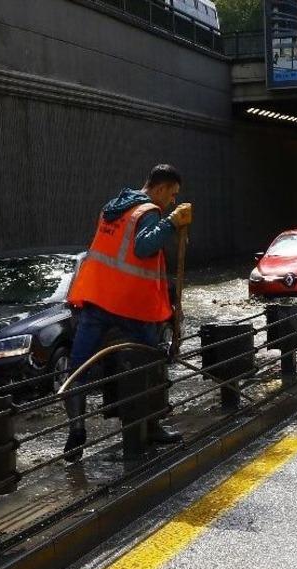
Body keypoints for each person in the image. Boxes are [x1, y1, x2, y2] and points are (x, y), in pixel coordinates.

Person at [62, 164, 194, 461]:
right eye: (171, 194)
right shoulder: (148, 211)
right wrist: (172, 223)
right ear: (159, 188)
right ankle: (153, 424)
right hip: (131, 307)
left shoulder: (114, 207)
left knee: (78, 369)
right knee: (151, 361)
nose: (171, 201)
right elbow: (145, 247)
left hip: (96, 302)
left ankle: (76, 429)